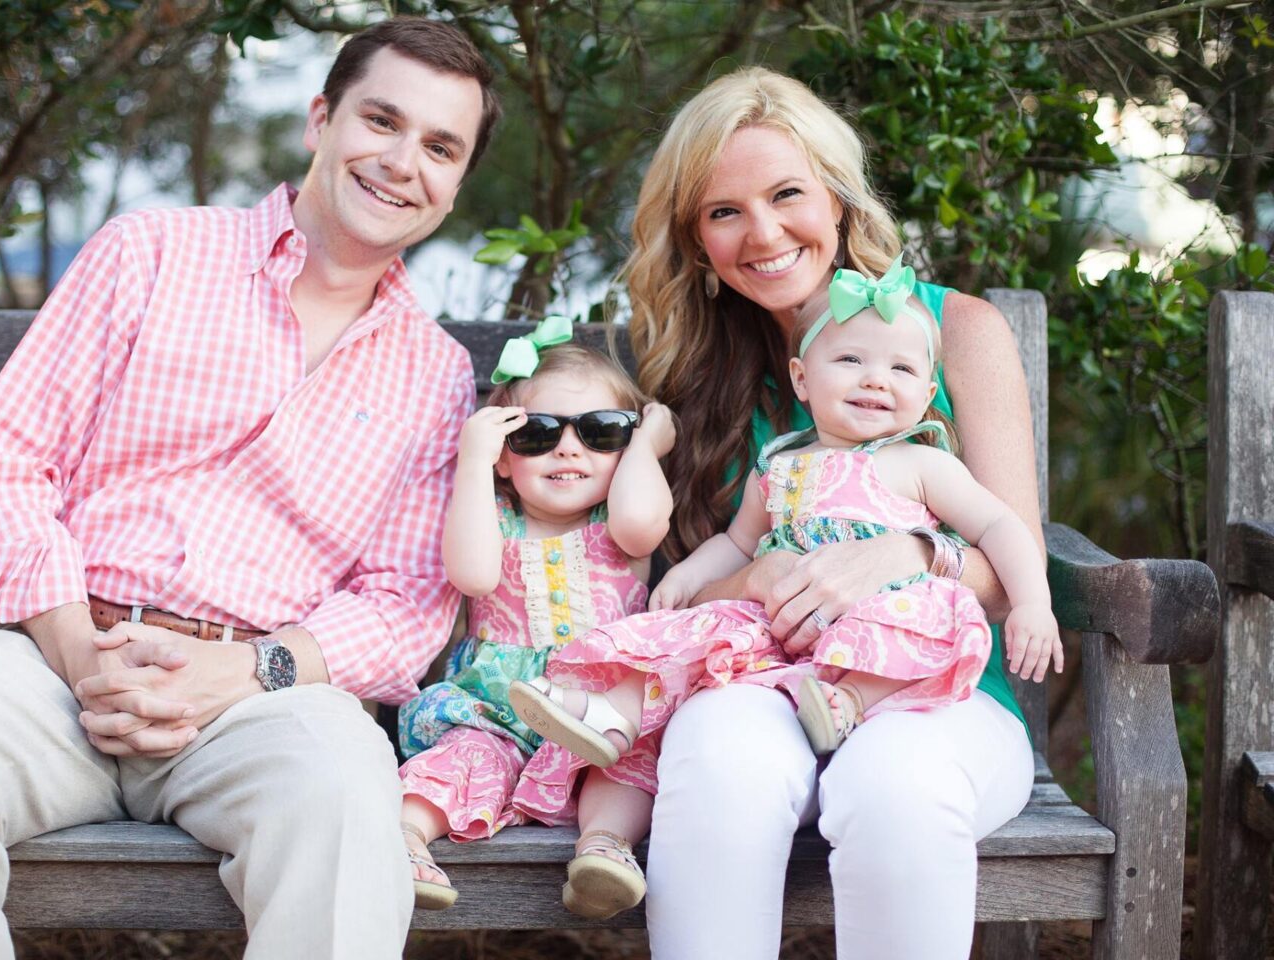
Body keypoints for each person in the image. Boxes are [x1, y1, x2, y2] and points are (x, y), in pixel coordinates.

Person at [0, 18, 500, 960]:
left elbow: (402, 607)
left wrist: (250, 669)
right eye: (380, 121)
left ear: (458, 181)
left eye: (439, 146)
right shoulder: (151, 253)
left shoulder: (432, 374)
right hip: (53, 661)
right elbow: (12, 460)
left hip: (259, 698)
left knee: (351, 810)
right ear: (321, 120)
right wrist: (77, 648)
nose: (401, 162)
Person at [621, 67, 1046, 959]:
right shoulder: (695, 367)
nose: (764, 233)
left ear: (841, 201)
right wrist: (754, 574)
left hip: (939, 696)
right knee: (718, 751)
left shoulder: (953, 332)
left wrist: (908, 552)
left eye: (787, 195)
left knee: (898, 782)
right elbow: (687, 590)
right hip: (766, 680)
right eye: (723, 211)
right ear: (695, 241)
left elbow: (1009, 571)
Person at [510, 263, 1060, 781]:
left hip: (879, 609)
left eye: (902, 369)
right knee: (708, 632)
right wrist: (683, 579)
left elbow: (1000, 527)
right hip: (784, 628)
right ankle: (614, 710)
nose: (876, 381)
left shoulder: (922, 463)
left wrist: (1033, 601)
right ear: (801, 378)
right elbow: (739, 541)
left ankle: (852, 701)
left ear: (927, 393)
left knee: (918, 614)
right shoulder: (778, 465)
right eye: (850, 361)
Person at [396, 333, 676, 921]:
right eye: (537, 434)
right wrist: (473, 461)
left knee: (622, 769)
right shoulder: (492, 516)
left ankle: (603, 848)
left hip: (600, 717)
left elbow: (645, 521)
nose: (568, 449)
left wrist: (645, 444)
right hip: (497, 713)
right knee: (463, 758)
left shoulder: (618, 524)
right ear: (504, 454)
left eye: (600, 431)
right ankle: (404, 840)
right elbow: (472, 575)